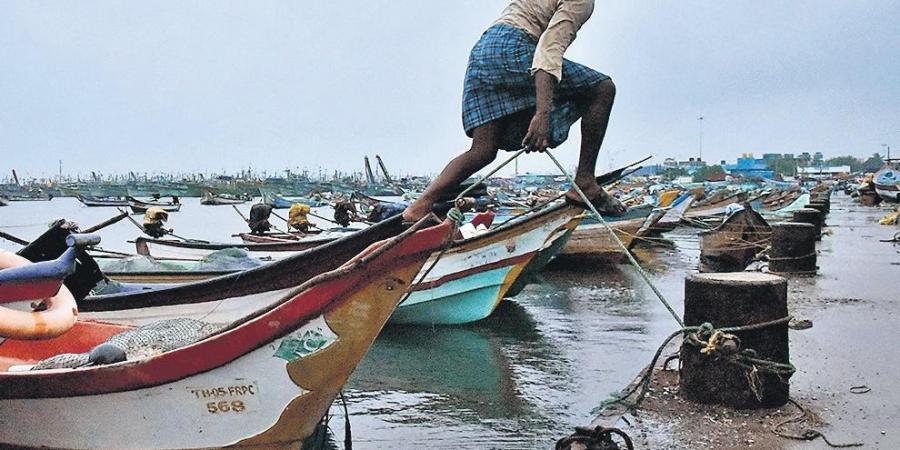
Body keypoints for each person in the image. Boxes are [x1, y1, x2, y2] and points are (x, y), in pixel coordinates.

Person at [402, 0, 625, 223]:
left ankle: (419, 206)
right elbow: (548, 52)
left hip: (484, 51)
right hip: (513, 48)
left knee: (483, 150)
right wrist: (542, 115)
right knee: (602, 88)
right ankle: (585, 180)